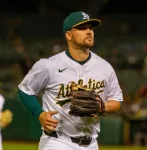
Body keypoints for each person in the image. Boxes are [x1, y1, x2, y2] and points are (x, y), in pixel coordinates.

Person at [18, 11, 123, 150]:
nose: (89, 31)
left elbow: (117, 101)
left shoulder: (105, 67)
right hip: (57, 141)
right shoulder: (49, 65)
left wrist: (102, 106)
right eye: (82, 28)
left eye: (91, 28)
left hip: (91, 143)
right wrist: (39, 114)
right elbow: (24, 90)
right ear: (68, 35)